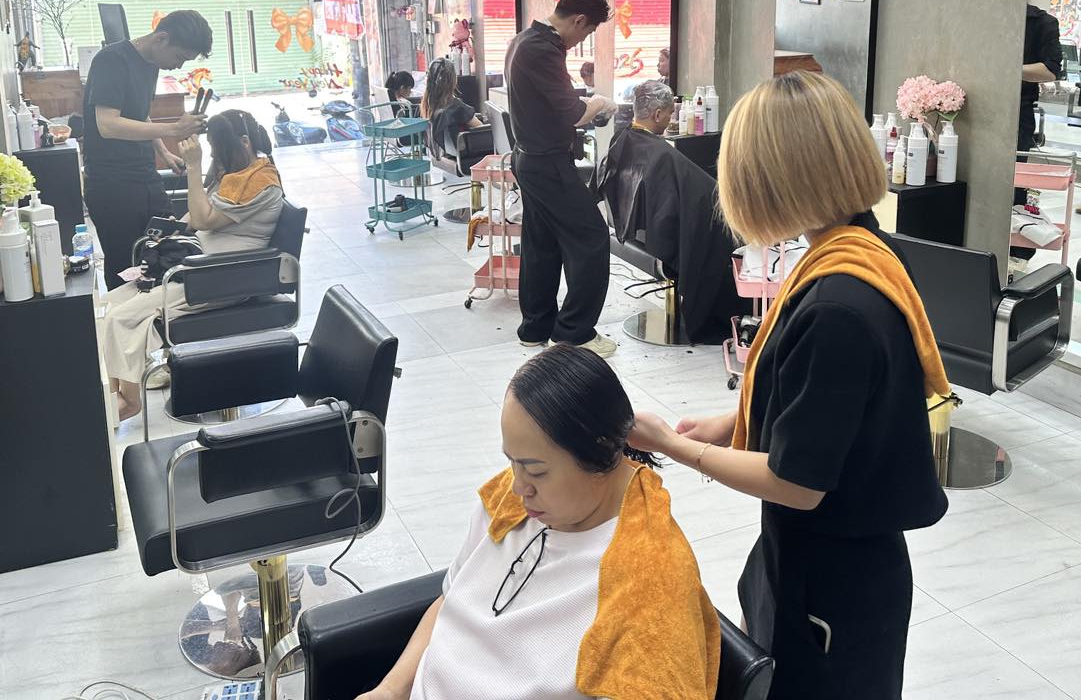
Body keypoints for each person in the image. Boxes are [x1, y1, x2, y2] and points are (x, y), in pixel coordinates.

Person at [630, 72, 950, 700]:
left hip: (831, 587)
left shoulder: (838, 306)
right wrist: (733, 421)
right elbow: (834, 404)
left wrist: (674, 446)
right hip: (821, 561)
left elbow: (796, 484)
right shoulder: (865, 250)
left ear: (772, 182)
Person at [354, 344, 721, 700]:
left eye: (536, 471)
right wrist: (390, 690)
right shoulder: (512, 500)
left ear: (601, 453)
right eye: (512, 461)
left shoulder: (648, 581)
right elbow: (452, 601)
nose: (518, 486)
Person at [100, 109, 284, 421]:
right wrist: (172, 230)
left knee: (123, 319)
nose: (215, 156)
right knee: (107, 306)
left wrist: (194, 166)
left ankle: (129, 402)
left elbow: (203, 219)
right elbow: (195, 217)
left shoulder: (261, 183)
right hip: (198, 269)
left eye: (218, 149)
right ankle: (114, 393)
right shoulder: (235, 174)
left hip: (223, 278)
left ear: (244, 142)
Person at [505, 0, 618, 357]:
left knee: (542, 242)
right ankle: (574, 333)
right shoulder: (543, 49)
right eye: (587, 33)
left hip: (530, 159)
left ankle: (535, 327)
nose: (581, 41)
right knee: (592, 236)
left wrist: (585, 104)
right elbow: (573, 113)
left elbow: (553, 103)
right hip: (547, 163)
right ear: (579, 20)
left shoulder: (524, 40)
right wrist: (599, 102)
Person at [595, 82, 746, 344]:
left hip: (637, 233)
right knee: (724, 237)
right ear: (657, 115)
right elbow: (706, 197)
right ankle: (723, 317)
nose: (670, 119)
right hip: (659, 242)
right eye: (669, 113)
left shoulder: (623, 138)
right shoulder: (663, 155)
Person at [83, 10, 213, 290]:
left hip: (145, 174)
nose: (178, 66)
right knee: (126, 267)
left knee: (168, 249)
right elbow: (108, 124)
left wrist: (164, 153)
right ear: (161, 38)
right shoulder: (111, 60)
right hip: (111, 183)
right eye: (179, 57)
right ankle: (125, 316)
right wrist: (174, 129)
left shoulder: (151, 64)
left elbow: (140, 114)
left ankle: (158, 314)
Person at [1014, 4, 1063, 257]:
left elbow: (1051, 70)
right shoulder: (980, 14)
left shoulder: (1042, 22)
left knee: (1013, 183)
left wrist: (1010, 68)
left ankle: (1016, 253)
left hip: (1016, 115)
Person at [420, 57, 482, 159]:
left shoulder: (427, 104)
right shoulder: (455, 106)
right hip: (465, 155)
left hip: (444, 155)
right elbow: (480, 127)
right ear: (453, 80)